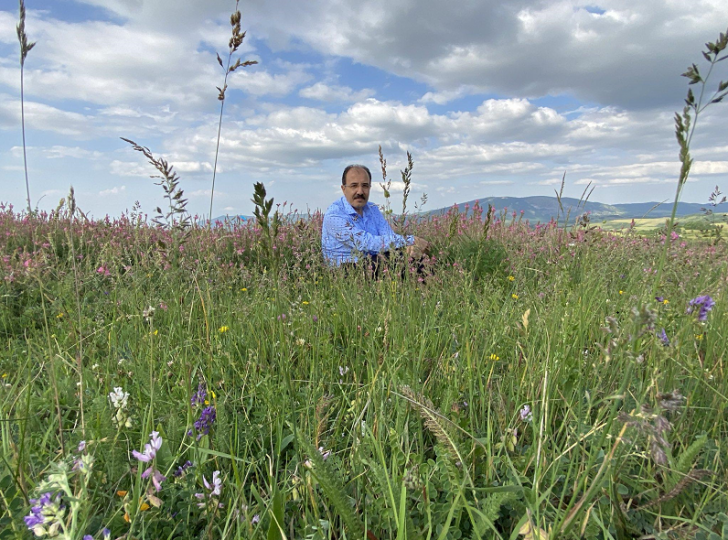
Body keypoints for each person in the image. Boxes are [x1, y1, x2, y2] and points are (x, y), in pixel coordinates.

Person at [321, 164, 429, 273]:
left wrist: (410, 247)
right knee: (402, 258)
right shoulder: (334, 214)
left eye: (365, 186)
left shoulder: (372, 209)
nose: (360, 191)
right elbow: (365, 242)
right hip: (345, 270)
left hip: (374, 262)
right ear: (344, 189)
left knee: (412, 256)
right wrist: (410, 240)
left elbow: (388, 236)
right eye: (354, 186)